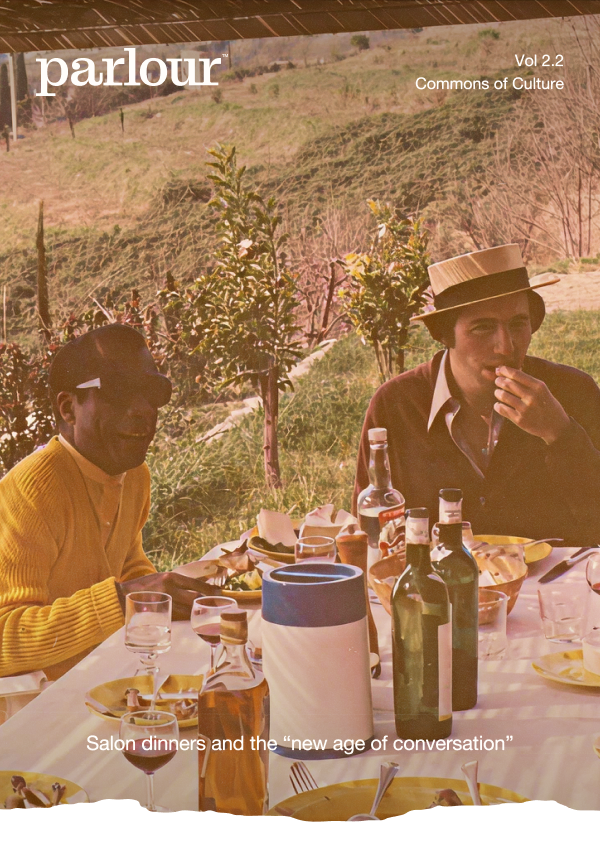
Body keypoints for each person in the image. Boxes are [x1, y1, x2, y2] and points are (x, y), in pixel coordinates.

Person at [354, 244, 600, 545]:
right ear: (445, 334)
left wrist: (560, 433)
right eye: (483, 327)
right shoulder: (396, 405)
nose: (506, 347)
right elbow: (368, 535)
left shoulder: (573, 391)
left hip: (561, 576)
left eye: (518, 324)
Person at [0, 324, 207, 680]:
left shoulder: (134, 475)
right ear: (68, 408)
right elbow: (6, 635)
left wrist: (167, 595)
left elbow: (129, 565)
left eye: (152, 392)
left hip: (104, 679)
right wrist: (122, 599)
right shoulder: (32, 489)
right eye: (118, 390)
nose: (142, 409)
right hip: (36, 700)